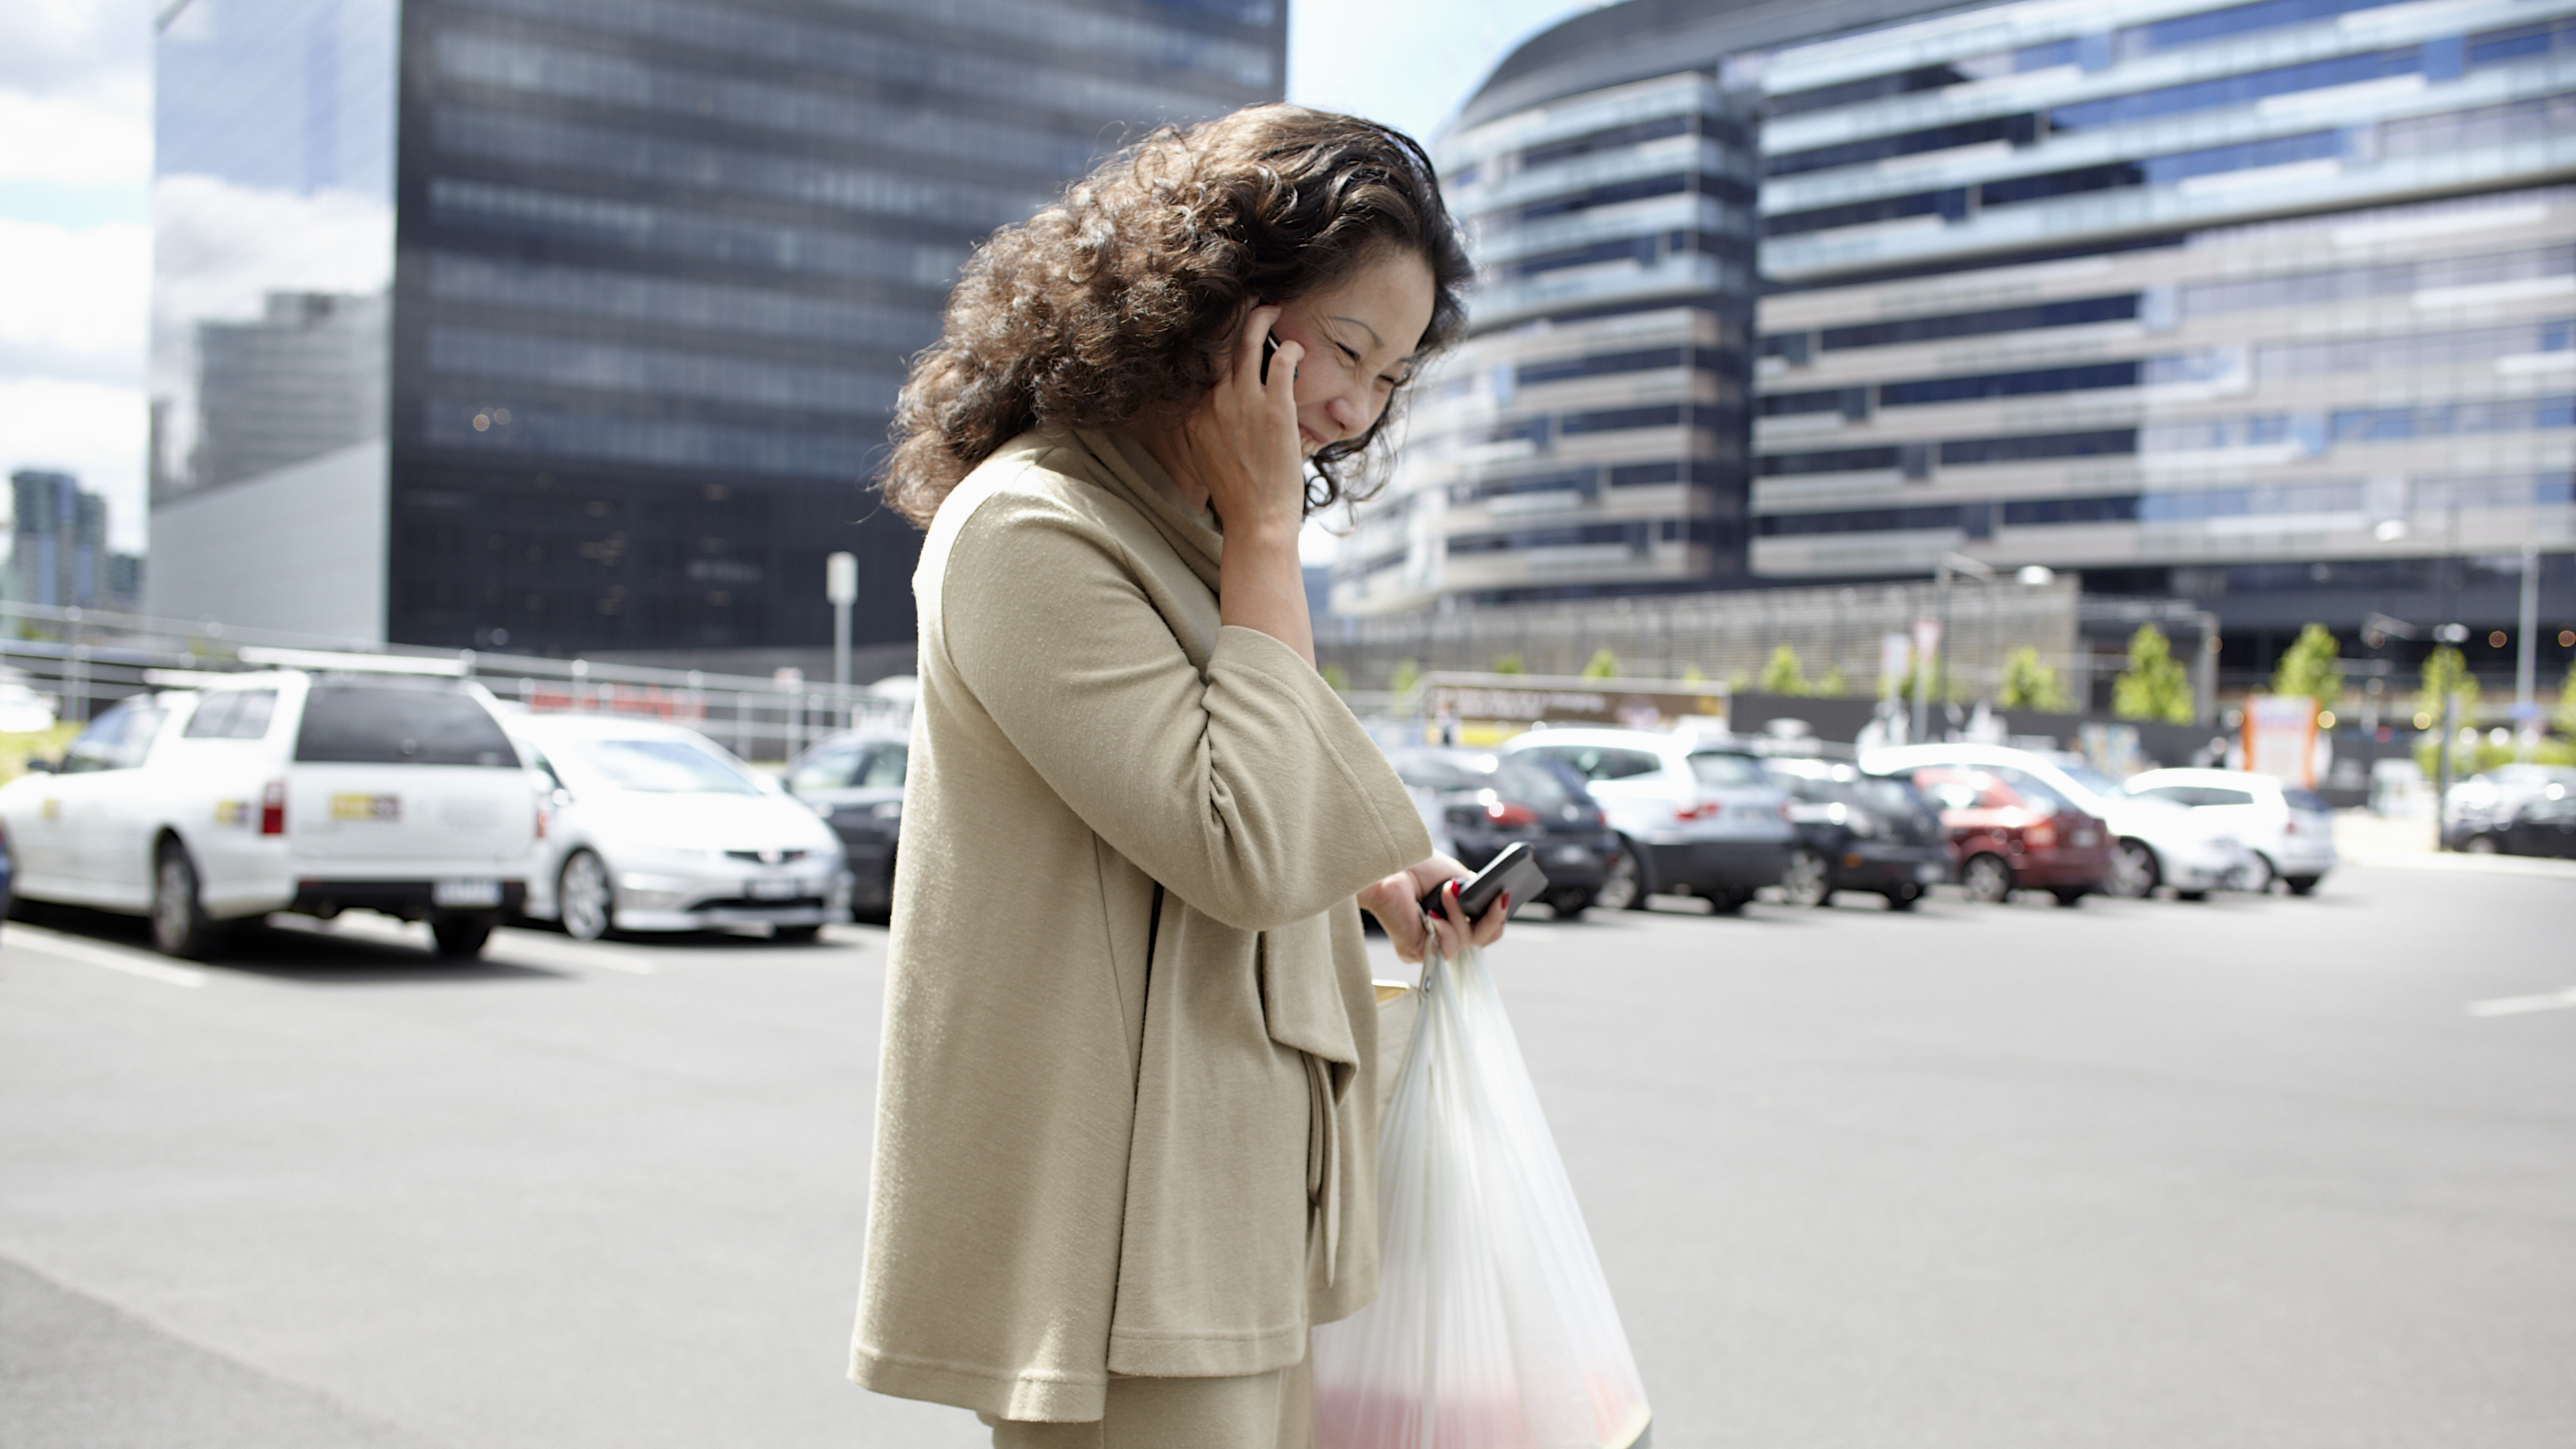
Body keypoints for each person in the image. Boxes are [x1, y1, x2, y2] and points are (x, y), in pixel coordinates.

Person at [848, 106, 1500, 1446]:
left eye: (1389, 379)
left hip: (1228, 1203)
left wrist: (1373, 878)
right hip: (1124, 1246)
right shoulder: (1033, 528)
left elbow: (1213, 809)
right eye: (1348, 349)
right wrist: (1268, 533)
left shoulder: (1183, 537)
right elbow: (1240, 843)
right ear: (1219, 304)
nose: (1355, 408)